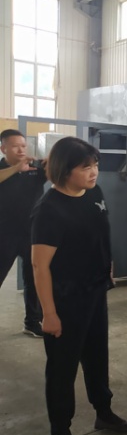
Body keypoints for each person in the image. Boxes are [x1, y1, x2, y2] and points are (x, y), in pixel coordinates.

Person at [31, 137, 127, 435]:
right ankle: (62, 433)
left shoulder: (94, 193)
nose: (94, 172)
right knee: (62, 369)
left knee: (96, 357)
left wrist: (108, 268)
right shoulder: (49, 210)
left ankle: (103, 412)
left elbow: (101, 234)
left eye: (95, 165)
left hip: (95, 292)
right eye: (85, 167)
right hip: (64, 299)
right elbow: (40, 266)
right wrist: (49, 313)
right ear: (64, 170)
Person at [0, 129, 47, 338]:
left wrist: (52, 163)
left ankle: (32, 322)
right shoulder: (3, 169)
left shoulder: (35, 168)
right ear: (3, 149)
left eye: (23, 146)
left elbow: (57, 174)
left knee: (34, 279)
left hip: (32, 234)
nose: (21, 150)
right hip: (5, 234)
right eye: (15, 146)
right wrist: (16, 168)